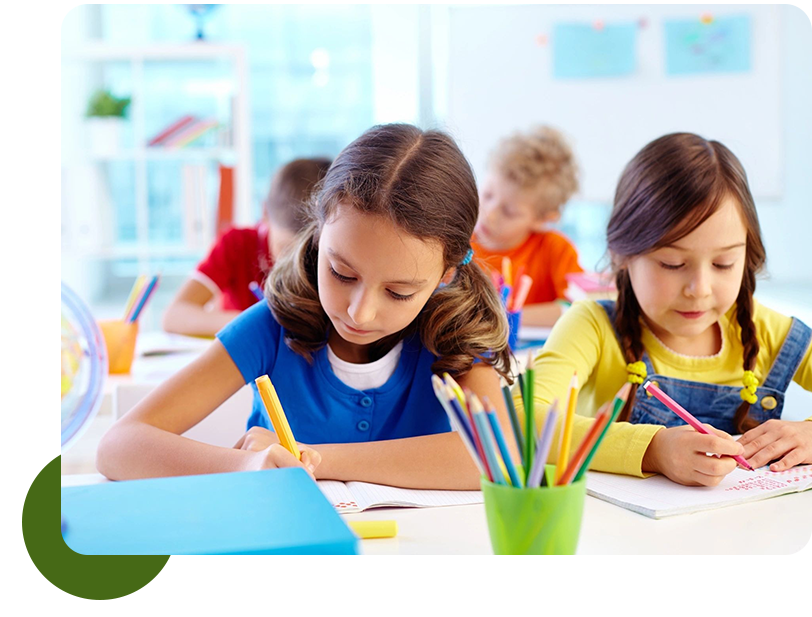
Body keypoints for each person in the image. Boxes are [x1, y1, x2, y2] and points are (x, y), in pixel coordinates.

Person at [97, 124, 515, 489]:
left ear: (445, 274)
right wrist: (247, 465)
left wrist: (310, 457)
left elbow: (499, 456)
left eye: (399, 292)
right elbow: (119, 445)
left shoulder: (458, 332)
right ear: (319, 234)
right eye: (342, 274)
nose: (359, 312)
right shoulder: (270, 328)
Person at [522, 133, 811, 486]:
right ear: (620, 254)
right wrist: (653, 450)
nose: (699, 290)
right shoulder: (591, 326)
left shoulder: (767, 330)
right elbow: (523, 419)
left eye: (723, 263)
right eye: (673, 264)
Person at [162, 157, 331, 337]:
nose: (297, 263)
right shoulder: (237, 244)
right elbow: (174, 316)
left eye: (311, 251)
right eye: (286, 249)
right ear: (265, 213)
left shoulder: (337, 258)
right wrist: (253, 322)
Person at [472, 126, 582, 326]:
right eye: (487, 195)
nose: (490, 214)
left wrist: (501, 318)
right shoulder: (457, 244)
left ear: (543, 219)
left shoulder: (556, 251)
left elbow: (576, 308)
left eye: (509, 212)